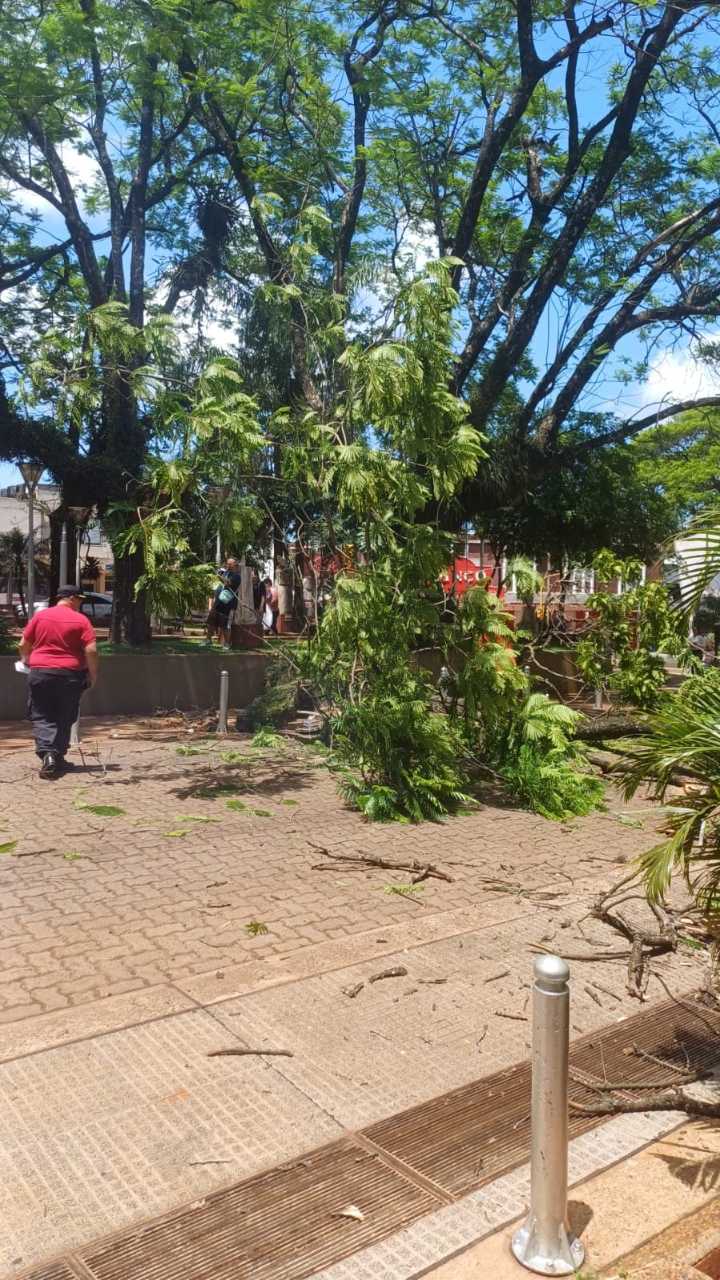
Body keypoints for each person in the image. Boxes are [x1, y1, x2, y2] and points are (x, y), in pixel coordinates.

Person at [19, 584, 99, 779]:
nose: (80, 603)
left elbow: (23, 644)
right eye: (79, 599)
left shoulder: (40, 617)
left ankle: (49, 755)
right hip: (70, 674)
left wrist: (25, 661)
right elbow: (91, 650)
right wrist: (93, 675)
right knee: (65, 715)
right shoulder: (81, 620)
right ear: (71, 598)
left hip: (41, 673)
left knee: (42, 714)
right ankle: (57, 756)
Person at [207, 556, 242, 647]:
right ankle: (208, 640)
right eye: (227, 563)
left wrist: (220, 577)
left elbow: (227, 583)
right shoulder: (225, 572)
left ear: (235, 565)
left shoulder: (237, 576)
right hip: (218, 602)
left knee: (225, 624)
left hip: (228, 604)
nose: (228, 565)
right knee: (211, 621)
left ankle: (227, 643)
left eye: (230, 564)